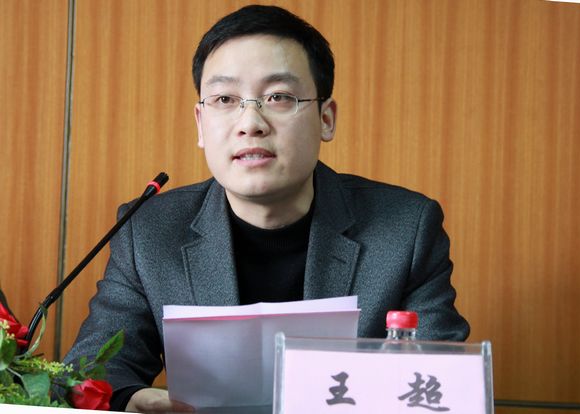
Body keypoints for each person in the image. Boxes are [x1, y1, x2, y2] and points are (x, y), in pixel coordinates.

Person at [64, 4, 469, 412]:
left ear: (326, 118)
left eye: (278, 97)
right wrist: (135, 399)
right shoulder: (149, 231)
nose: (250, 123)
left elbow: (442, 388)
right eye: (225, 99)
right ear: (201, 124)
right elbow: (89, 372)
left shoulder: (406, 229)